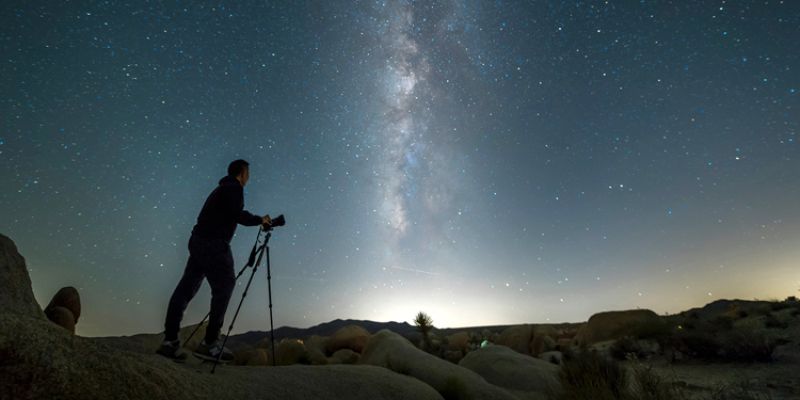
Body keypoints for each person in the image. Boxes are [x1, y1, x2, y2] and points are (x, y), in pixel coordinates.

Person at [157, 159, 271, 362]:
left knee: (186, 288)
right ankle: (210, 343)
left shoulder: (220, 189)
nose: (249, 178)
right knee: (225, 285)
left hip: (198, 240)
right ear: (242, 173)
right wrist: (260, 220)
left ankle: (170, 341)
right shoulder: (234, 188)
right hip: (214, 243)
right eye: (248, 174)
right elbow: (238, 215)